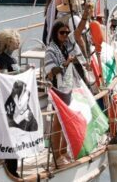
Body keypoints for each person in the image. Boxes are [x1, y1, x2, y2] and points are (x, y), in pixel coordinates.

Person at [44, 20, 84, 163]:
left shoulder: (65, 47)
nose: (65, 35)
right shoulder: (51, 50)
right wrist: (66, 63)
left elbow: (78, 33)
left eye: (67, 33)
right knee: (57, 122)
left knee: (65, 120)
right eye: (62, 32)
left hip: (67, 88)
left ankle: (62, 151)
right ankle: (56, 155)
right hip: (57, 89)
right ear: (55, 33)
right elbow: (51, 71)